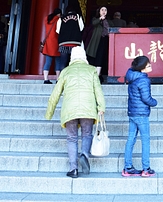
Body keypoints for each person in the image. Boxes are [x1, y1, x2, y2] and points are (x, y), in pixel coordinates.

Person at [45, 46, 106, 178]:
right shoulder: (92, 70)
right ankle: (84, 154)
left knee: (72, 138)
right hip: (88, 108)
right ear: (84, 56)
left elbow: (55, 94)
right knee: (87, 134)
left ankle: (74, 169)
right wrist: (101, 107)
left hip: (70, 109)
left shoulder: (65, 71)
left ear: (72, 57)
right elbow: (98, 91)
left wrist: (49, 112)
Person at [122, 56, 158, 177]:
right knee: (145, 140)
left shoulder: (132, 77)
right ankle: (146, 168)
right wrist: (154, 102)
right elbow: (146, 98)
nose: (150, 67)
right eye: (148, 66)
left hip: (132, 112)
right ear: (142, 69)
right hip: (141, 114)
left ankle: (127, 168)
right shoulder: (143, 80)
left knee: (131, 139)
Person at [83, 6, 113, 83]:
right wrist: (100, 19)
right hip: (96, 41)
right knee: (93, 58)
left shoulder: (108, 21)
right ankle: (92, 76)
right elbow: (93, 23)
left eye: (105, 10)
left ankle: (98, 76)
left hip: (105, 40)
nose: (104, 11)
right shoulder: (95, 19)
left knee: (101, 58)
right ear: (99, 11)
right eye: (102, 10)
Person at [56, 6, 84, 71]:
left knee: (63, 62)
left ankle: (61, 79)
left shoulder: (62, 18)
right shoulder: (78, 16)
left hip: (64, 42)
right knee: (74, 62)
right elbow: (81, 28)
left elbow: (57, 30)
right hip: (75, 43)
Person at [41, 8, 62, 84]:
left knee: (48, 62)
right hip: (56, 42)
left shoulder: (47, 19)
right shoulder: (59, 20)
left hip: (48, 43)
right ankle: (58, 79)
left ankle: (45, 79)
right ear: (59, 14)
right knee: (58, 62)